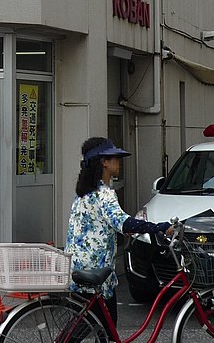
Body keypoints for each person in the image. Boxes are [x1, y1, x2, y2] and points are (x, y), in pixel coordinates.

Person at [65, 137, 171, 339]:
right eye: (114, 157)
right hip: (95, 270)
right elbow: (123, 223)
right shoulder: (104, 194)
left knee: (102, 325)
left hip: (80, 266)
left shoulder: (84, 192)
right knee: (95, 325)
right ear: (103, 162)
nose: (118, 162)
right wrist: (159, 228)